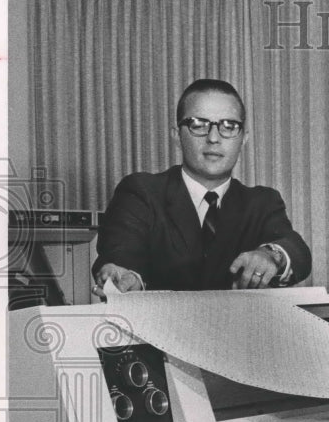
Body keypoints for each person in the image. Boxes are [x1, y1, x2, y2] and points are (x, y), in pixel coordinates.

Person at [92, 78, 311, 295]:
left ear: (244, 139)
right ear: (177, 136)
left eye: (229, 126)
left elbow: (296, 249)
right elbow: (120, 252)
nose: (214, 138)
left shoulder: (262, 202)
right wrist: (126, 277)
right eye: (198, 125)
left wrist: (271, 255)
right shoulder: (141, 192)